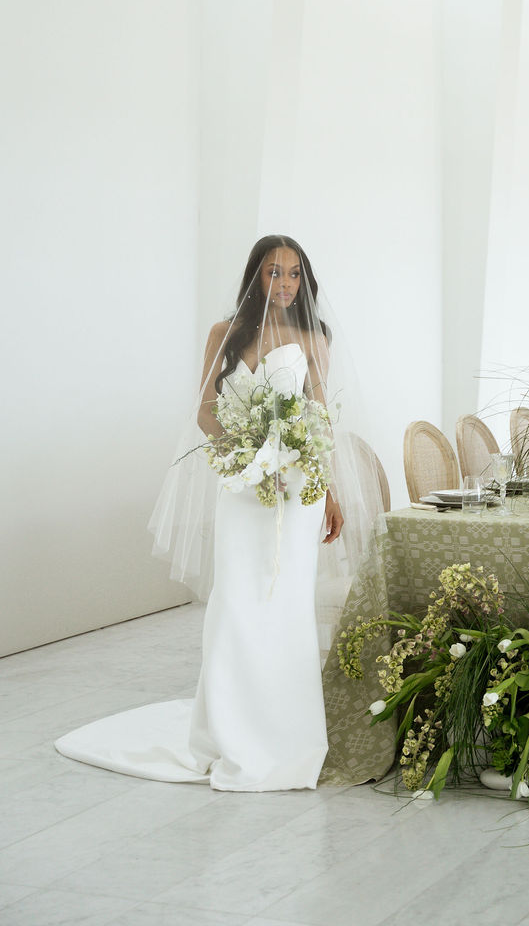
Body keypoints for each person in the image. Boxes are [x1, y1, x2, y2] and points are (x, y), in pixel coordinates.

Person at [56, 235, 361, 791]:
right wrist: (246, 456)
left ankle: (287, 732)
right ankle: (229, 729)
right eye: (274, 273)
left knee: (286, 605)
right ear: (255, 277)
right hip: (244, 487)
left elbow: (319, 420)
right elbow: (204, 409)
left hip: (297, 492)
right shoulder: (226, 335)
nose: (286, 285)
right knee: (237, 602)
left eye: (295, 274)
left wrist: (329, 490)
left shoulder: (314, 338)